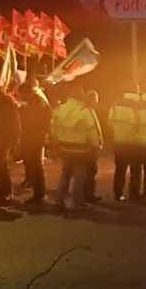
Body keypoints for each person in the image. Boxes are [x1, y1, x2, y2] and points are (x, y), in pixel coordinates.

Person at [49, 83, 102, 213]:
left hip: (64, 147)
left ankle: (59, 200)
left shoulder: (60, 109)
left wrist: (56, 142)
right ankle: (77, 201)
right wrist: (96, 146)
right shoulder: (84, 111)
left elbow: (53, 128)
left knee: (65, 173)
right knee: (79, 175)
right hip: (81, 148)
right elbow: (91, 131)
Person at [17, 80, 51, 206]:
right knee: (35, 165)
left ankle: (39, 195)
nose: (19, 96)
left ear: (27, 93)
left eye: (20, 94)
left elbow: (33, 121)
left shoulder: (37, 102)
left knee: (37, 166)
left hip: (35, 138)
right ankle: (38, 193)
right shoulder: (35, 101)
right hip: (34, 137)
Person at [0, 80, 21, 203]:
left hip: (5, 139)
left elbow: (15, 124)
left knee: (2, 165)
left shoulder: (7, 104)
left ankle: (7, 191)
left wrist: (14, 141)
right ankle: (1, 189)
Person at [108, 84, 142, 201]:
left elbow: (110, 122)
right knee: (136, 170)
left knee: (120, 170)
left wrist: (118, 131)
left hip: (119, 141)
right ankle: (134, 194)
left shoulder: (116, 103)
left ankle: (118, 194)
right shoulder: (139, 104)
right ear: (136, 91)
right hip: (134, 142)